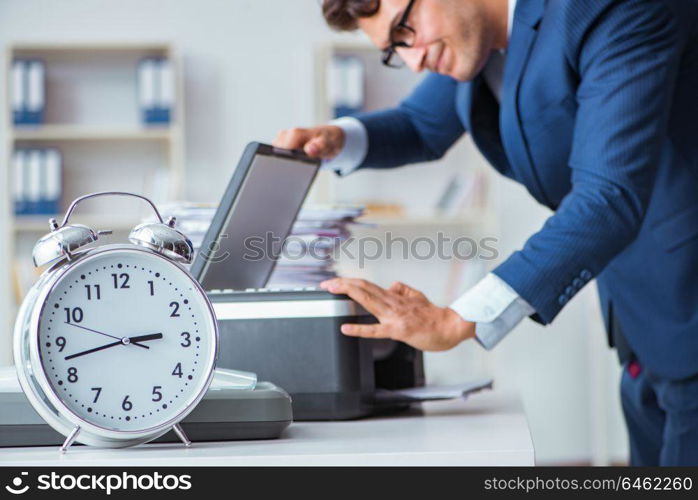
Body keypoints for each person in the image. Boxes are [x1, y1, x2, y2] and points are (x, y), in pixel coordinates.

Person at [272, 0, 698, 466]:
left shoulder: (607, 9)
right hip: (642, 308)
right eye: (395, 50)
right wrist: (338, 138)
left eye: (404, 29)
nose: (412, 60)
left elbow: (607, 198)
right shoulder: (481, 42)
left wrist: (457, 320)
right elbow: (420, 125)